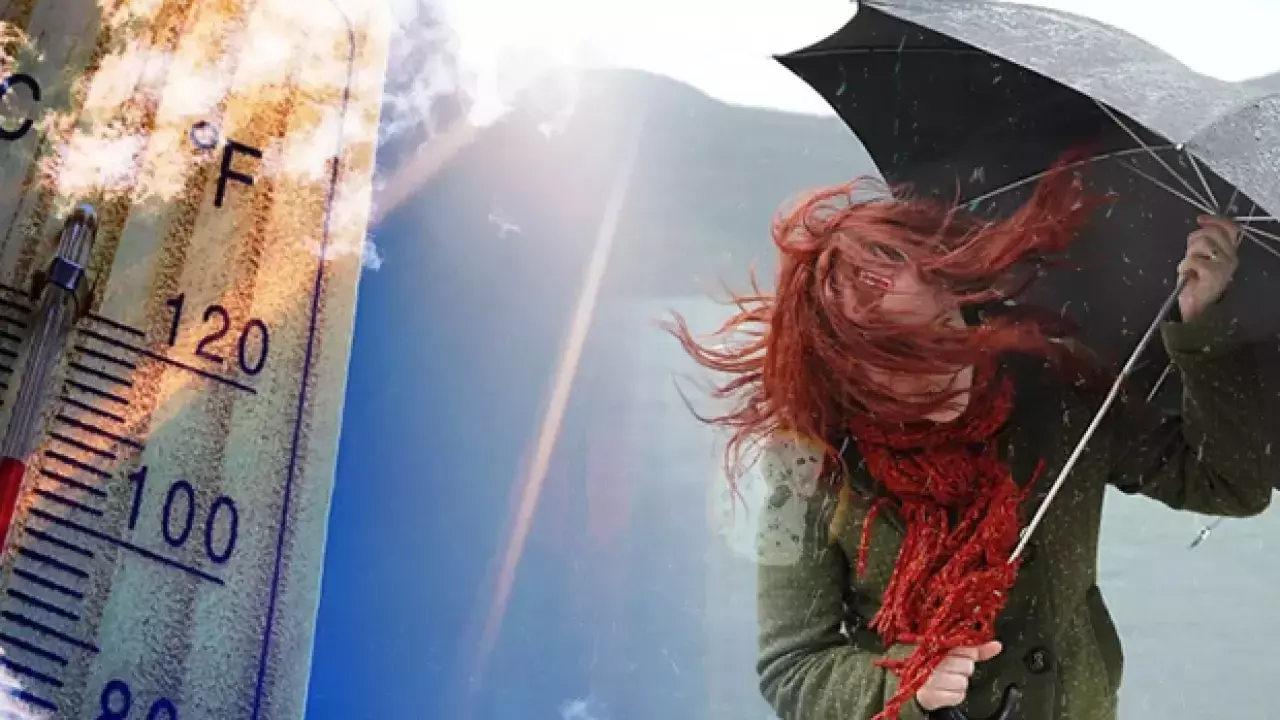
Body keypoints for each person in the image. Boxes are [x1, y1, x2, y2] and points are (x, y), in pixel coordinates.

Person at [666, 156, 1273, 720]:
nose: (944, 363)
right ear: (846, 364)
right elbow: (791, 666)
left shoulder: (1057, 389)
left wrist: (1205, 324)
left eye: (944, 325)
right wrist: (902, 684)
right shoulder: (801, 466)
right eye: (903, 353)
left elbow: (1229, 485)